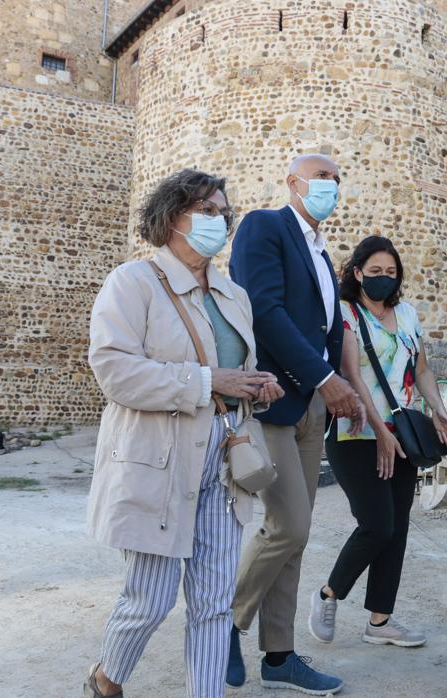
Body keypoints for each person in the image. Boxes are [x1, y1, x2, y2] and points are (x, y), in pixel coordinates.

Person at [83, 169, 284, 698]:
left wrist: (255, 386)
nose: (221, 220)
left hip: (224, 465)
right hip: (158, 466)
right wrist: (205, 381)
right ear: (173, 217)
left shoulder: (233, 294)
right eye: (208, 210)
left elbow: (233, 373)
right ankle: (106, 679)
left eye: (224, 212)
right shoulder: (132, 283)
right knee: (148, 601)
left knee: (215, 604)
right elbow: (114, 371)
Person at [225, 154, 364, 694]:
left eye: (336, 180)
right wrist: (325, 376)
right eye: (321, 178)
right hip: (277, 398)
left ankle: (278, 656)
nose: (330, 187)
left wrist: (330, 393)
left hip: (312, 408)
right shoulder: (266, 227)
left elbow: (325, 324)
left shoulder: (322, 254)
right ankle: (223, 624)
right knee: (290, 526)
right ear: (293, 183)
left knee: (295, 537)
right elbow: (263, 308)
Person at [307, 236, 447, 648]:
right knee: (376, 525)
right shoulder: (346, 313)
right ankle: (328, 594)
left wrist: (437, 409)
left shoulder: (407, 313)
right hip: (356, 433)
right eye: (374, 272)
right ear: (356, 273)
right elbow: (353, 376)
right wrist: (380, 432)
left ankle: (380, 621)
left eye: (390, 273)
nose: (383, 279)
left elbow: (422, 370)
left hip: (404, 434)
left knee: (398, 529)